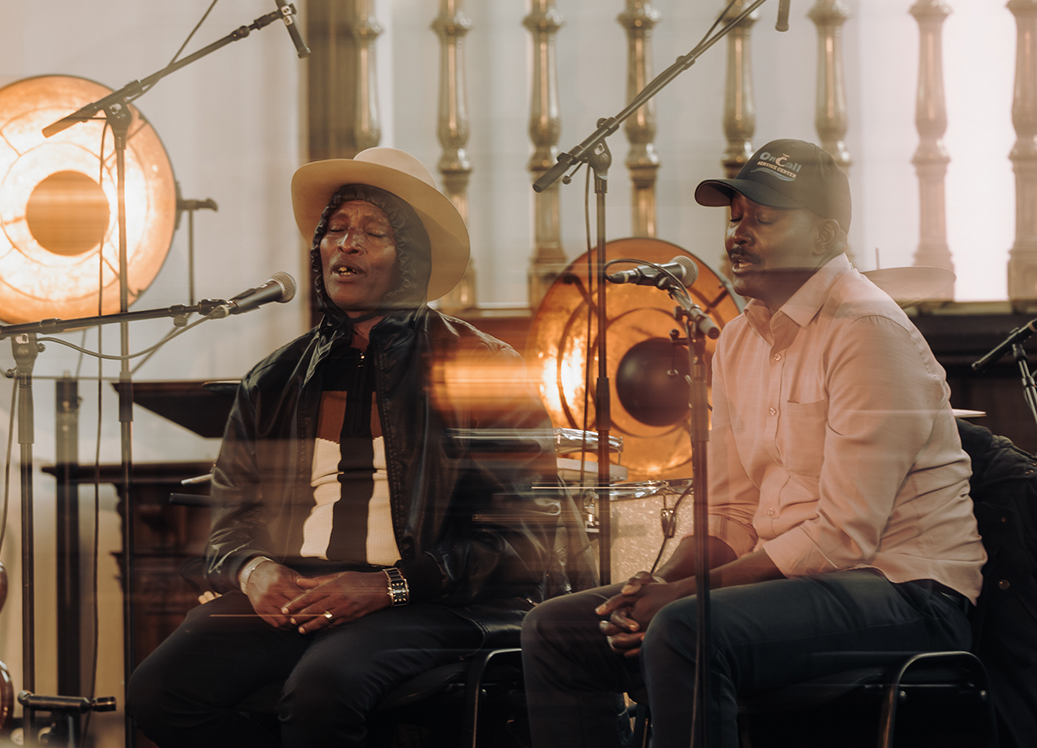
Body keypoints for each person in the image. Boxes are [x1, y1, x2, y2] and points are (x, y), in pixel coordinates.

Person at [521, 139, 987, 748]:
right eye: (736, 217)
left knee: (686, 628)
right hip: (799, 583)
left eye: (762, 219)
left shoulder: (867, 331)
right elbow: (733, 510)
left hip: (904, 592)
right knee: (558, 628)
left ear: (824, 237)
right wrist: (657, 586)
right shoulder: (740, 339)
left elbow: (845, 537)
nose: (738, 234)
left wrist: (684, 598)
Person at [127, 147, 580, 748]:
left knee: (321, 690)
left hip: (436, 601)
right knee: (159, 692)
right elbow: (228, 524)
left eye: (373, 232)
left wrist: (390, 585)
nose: (348, 244)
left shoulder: (481, 366)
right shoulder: (273, 379)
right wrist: (253, 569)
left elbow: (525, 534)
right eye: (336, 230)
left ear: (411, 258)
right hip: (300, 596)